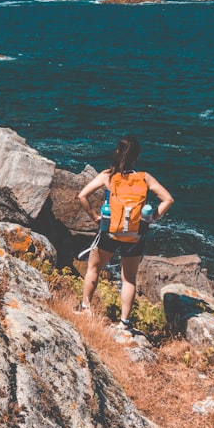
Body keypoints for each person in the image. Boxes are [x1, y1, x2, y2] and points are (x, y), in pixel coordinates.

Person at [76, 135, 174, 330]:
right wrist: (152, 218)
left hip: (109, 232)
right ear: (136, 157)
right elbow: (168, 199)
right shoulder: (144, 177)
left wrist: (95, 216)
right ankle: (124, 323)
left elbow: (82, 196)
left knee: (94, 269)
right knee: (129, 279)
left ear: (118, 152)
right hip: (135, 235)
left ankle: (85, 308)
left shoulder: (108, 176)